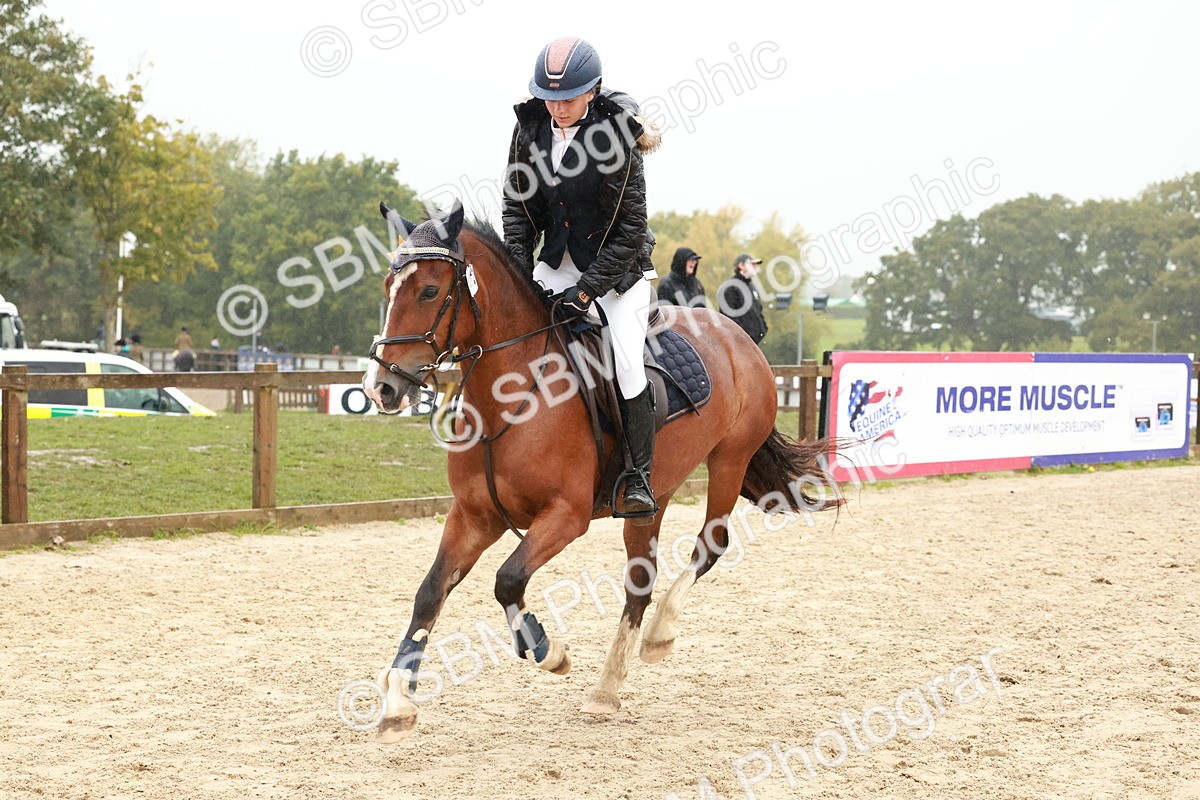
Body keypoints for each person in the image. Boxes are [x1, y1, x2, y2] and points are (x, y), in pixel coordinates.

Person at [502, 36, 662, 519]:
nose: (559, 107)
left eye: (569, 97)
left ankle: (637, 476)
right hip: (555, 264)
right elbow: (517, 207)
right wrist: (517, 272)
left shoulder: (616, 134)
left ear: (592, 91)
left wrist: (588, 291)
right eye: (550, 97)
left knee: (626, 363)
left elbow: (631, 230)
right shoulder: (530, 129)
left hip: (617, 275)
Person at [719, 253, 768, 346]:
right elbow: (729, 317)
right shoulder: (730, 287)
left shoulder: (751, 286)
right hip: (738, 344)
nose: (755, 268)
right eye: (752, 264)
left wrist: (763, 328)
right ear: (741, 265)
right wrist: (745, 335)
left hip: (753, 343)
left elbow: (758, 310)